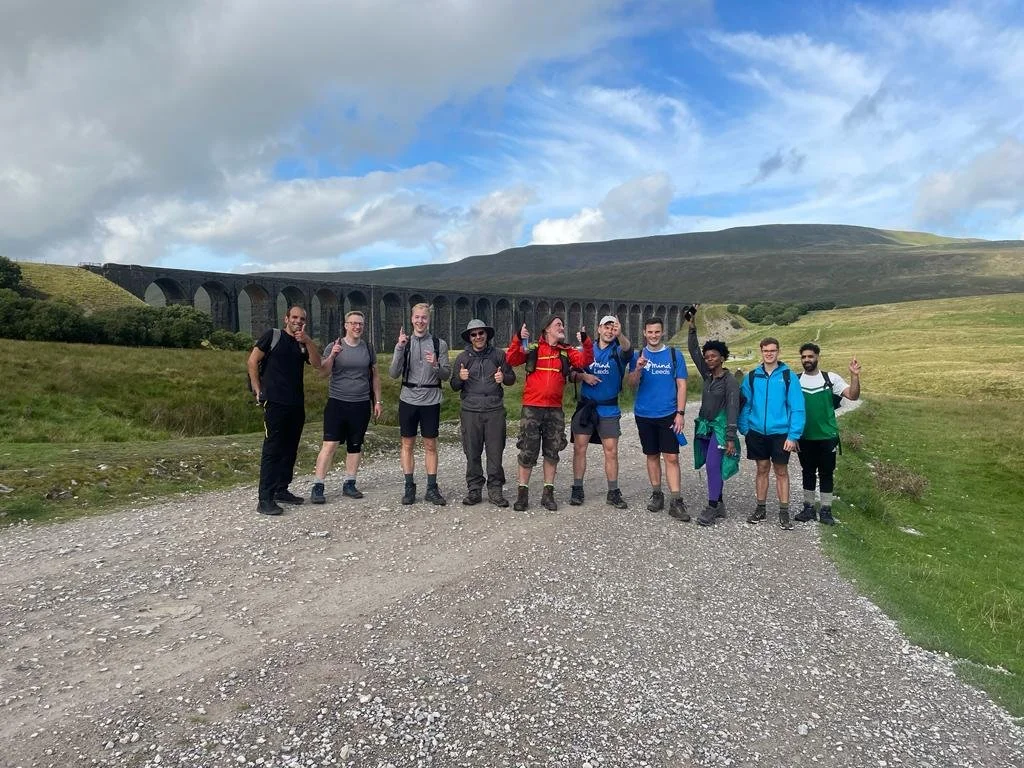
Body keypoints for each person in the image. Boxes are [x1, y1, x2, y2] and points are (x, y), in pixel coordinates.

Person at [506, 314, 593, 511]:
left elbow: (582, 362)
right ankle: (522, 495)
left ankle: (548, 494)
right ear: (547, 329)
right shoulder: (534, 349)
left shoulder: (566, 351)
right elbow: (512, 358)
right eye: (558, 325)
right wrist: (518, 338)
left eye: (562, 324)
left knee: (552, 451)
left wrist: (586, 342)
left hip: (554, 409)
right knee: (527, 450)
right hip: (532, 407)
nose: (562, 327)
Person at [247, 305, 321, 516]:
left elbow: (317, 364)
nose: (298, 321)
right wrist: (257, 388)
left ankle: (281, 489)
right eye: (295, 317)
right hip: (275, 402)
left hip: (296, 403)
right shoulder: (273, 335)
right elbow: (253, 360)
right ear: (286, 318)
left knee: (290, 448)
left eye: (302, 318)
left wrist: (307, 341)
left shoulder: (302, 343)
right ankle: (265, 499)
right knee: (272, 449)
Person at [309, 311, 382, 504]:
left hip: (361, 403)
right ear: (346, 325)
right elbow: (322, 373)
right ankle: (318, 485)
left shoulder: (368, 347)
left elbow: (374, 375)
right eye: (354, 323)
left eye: (361, 324)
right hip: (337, 402)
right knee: (330, 444)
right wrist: (332, 355)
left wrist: (378, 401)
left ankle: (350, 483)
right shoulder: (335, 345)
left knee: (355, 445)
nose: (357, 327)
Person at [738, 337, 806, 529]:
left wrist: (793, 436)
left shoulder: (788, 376)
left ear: (778, 352)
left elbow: (797, 407)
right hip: (757, 432)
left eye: (773, 350)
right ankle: (760, 508)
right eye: (766, 350)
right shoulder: (751, 376)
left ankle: (784, 512)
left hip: (780, 433)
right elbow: (745, 404)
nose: (769, 353)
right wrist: (745, 428)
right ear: (761, 351)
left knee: (781, 471)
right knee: (761, 469)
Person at [627, 316, 690, 521]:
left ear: (662, 332)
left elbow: (681, 385)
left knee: (672, 457)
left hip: (668, 414)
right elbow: (631, 385)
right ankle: (657, 494)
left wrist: (680, 413)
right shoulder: (638, 355)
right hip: (644, 414)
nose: (653, 335)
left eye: (657, 332)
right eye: (650, 332)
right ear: (644, 333)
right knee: (652, 455)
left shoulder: (674, 355)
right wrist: (638, 368)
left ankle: (676, 500)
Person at [388, 303, 451, 506]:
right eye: (417, 317)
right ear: (411, 319)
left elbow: (446, 375)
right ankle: (409, 487)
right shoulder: (404, 343)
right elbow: (393, 373)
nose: (420, 321)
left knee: (430, 444)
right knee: (407, 444)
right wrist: (399, 347)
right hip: (408, 398)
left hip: (431, 399)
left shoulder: (438, 343)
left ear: (428, 319)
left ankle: (432, 489)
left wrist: (435, 364)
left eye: (424, 317)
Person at [450, 319, 516, 507]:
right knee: (472, 451)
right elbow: (454, 386)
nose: (478, 337)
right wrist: (461, 379)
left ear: (486, 334)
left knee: (495, 452)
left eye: (481, 333)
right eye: (474, 334)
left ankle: (495, 490)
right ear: (469, 338)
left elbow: (511, 379)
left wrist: (504, 377)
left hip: (494, 410)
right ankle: (474, 489)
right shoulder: (462, 358)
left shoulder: (498, 355)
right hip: (470, 411)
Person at [568, 315, 632, 509]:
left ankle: (613, 492)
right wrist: (583, 376)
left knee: (611, 452)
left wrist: (621, 335)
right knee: (579, 449)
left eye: (613, 328)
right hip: (586, 406)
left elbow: (628, 350)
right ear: (599, 329)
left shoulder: (618, 351)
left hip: (609, 408)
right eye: (607, 327)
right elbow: (570, 374)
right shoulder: (586, 350)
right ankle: (577, 488)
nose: (610, 331)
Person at [794, 342, 861, 526]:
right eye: (804, 357)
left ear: (818, 357)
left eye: (810, 356)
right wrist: (792, 436)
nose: (807, 360)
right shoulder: (796, 380)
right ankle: (808, 508)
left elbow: (853, 396)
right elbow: (789, 409)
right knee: (807, 472)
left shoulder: (830, 378)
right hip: (804, 437)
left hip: (827, 436)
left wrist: (854, 376)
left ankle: (825, 510)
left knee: (826, 473)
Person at [686, 309, 741, 527]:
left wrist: (730, 437)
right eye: (707, 356)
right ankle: (719, 503)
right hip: (705, 427)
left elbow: (733, 409)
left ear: (722, 358)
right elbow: (693, 351)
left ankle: (711, 507)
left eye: (713, 356)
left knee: (712, 466)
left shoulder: (730, 382)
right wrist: (692, 326)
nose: (709, 359)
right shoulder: (707, 375)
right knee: (712, 465)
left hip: (720, 429)